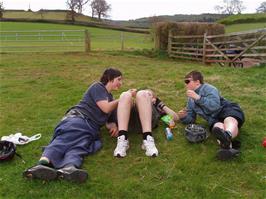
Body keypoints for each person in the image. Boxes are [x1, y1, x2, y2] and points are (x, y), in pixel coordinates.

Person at [23, 68, 123, 183]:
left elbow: (108, 119)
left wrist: (113, 125)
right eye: (118, 79)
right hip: (78, 120)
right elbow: (106, 108)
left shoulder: (110, 98)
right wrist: (123, 98)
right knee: (65, 139)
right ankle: (41, 165)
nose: (121, 83)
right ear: (110, 78)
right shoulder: (98, 87)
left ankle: (69, 168)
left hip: (90, 129)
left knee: (80, 146)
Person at [177, 70, 245, 160]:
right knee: (217, 127)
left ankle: (227, 136)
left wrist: (198, 98)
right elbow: (191, 120)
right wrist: (184, 116)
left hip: (226, 109)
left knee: (228, 120)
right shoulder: (190, 100)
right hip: (213, 119)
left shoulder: (209, 89)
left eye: (187, 81)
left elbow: (215, 106)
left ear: (197, 82)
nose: (186, 84)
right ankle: (228, 148)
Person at [113, 89, 178, 158]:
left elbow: (175, 117)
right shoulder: (135, 105)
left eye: (149, 95)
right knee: (125, 95)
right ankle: (122, 138)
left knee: (141, 93)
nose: (145, 97)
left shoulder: (157, 108)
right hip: (129, 122)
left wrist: (161, 105)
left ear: (154, 99)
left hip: (147, 123)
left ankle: (147, 138)